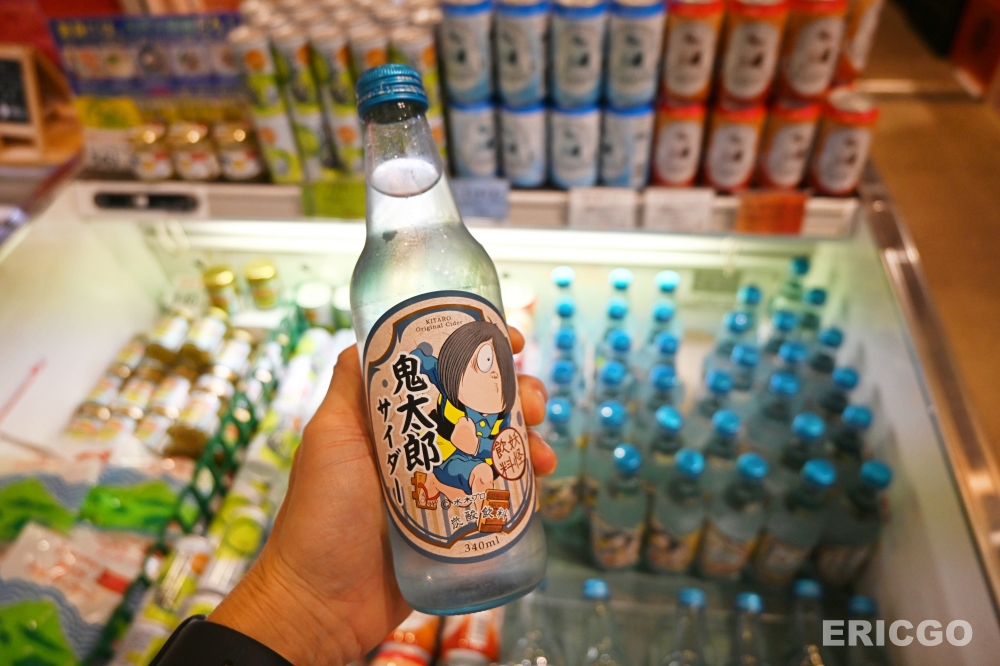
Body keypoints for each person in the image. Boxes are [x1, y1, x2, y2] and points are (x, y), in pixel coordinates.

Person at [151, 332, 557, 666]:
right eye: (485, 365)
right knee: (473, 475)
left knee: (491, 475)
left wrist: (298, 604)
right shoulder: (452, 410)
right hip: (451, 481)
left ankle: (471, 505)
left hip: (478, 496)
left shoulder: (487, 414)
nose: (495, 377)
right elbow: (432, 377)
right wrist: (300, 598)